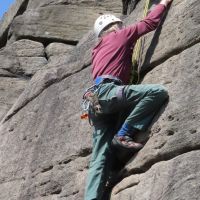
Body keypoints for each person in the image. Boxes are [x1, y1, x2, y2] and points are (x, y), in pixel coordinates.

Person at [84, 0, 173, 199]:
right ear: (113, 26)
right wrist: (164, 3)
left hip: (96, 103)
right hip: (109, 92)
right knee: (157, 92)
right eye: (120, 25)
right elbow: (149, 23)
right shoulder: (119, 35)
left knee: (99, 157)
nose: (123, 27)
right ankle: (123, 134)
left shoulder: (97, 49)